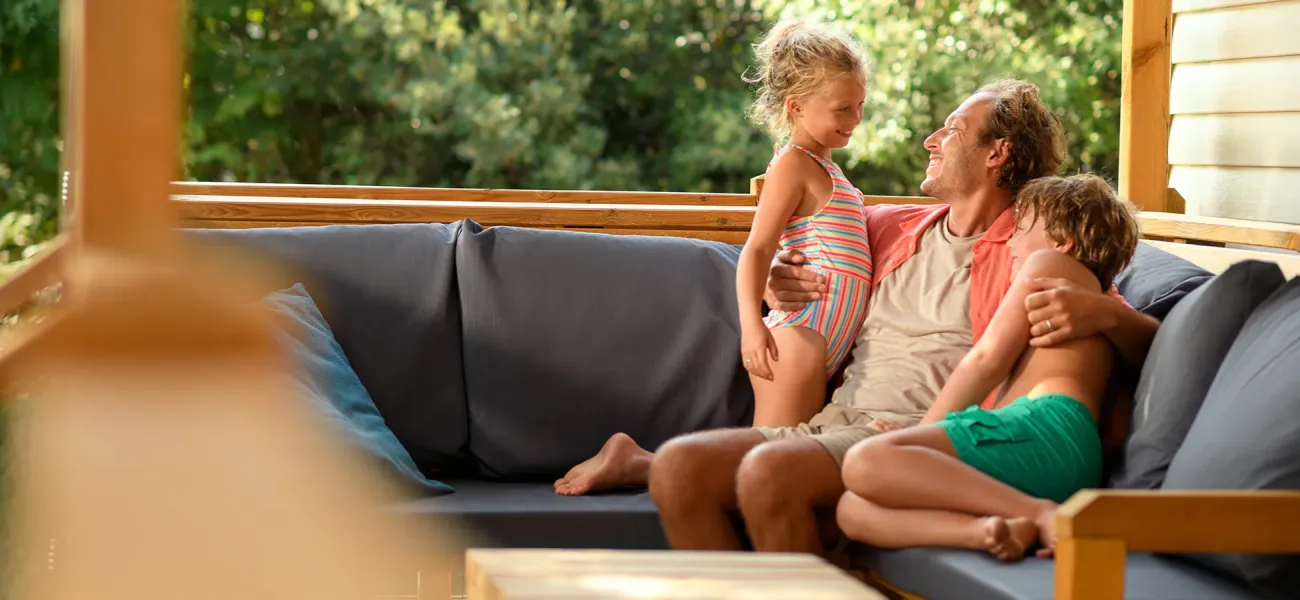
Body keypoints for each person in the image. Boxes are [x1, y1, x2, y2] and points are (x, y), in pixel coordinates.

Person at [647, 79, 1160, 555]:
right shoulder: (887, 227)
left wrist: (1107, 316)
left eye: (952, 130)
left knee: (769, 475)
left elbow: (1131, 334)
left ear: (996, 153)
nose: (930, 140)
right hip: (833, 423)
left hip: (914, 437)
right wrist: (777, 278)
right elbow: (797, 240)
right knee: (678, 470)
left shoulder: (1030, 249)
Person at [555, 18, 875, 496]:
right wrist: (752, 325)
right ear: (796, 106)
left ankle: (639, 461)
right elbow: (757, 251)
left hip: (819, 345)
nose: (854, 119)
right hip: (797, 342)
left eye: (860, 106)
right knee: (769, 465)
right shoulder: (793, 165)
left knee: (778, 458)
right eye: (842, 109)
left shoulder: (830, 169)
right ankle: (637, 462)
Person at [834, 174, 1139, 562]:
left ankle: (1042, 514)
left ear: (1062, 242)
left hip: (1042, 432)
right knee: (852, 509)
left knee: (866, 461)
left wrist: (920, 435)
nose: (1008, 241)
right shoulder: (1090, 312)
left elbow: (985, 361)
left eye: (1021, 227)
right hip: (1059, 458)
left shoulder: (1051, 265)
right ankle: (991, 531)